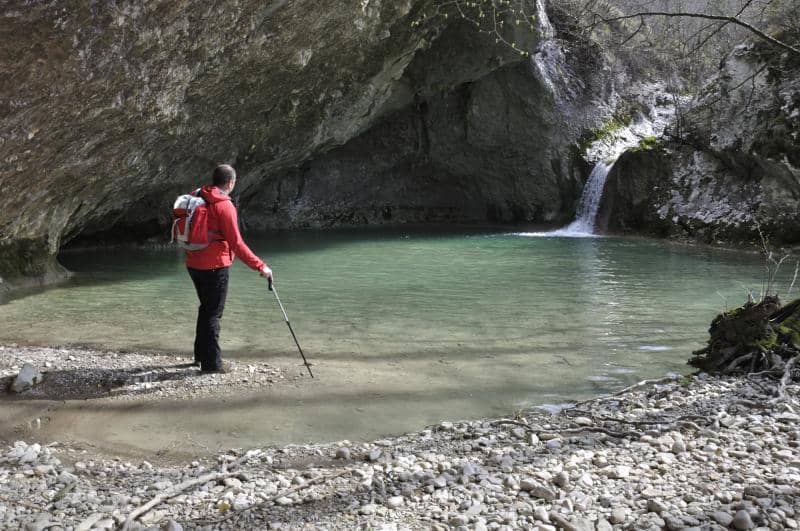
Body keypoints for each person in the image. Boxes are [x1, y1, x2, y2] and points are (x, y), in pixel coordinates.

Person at [185, 164, 272, 373]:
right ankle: (212, 364)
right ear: (230, 183)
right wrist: (261, 266)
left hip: (192, 263)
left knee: (206, 309)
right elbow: (237, 244)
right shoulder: (224, 206)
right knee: (213, 314)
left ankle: (199, 356)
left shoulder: (195, 196)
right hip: (215, 266)